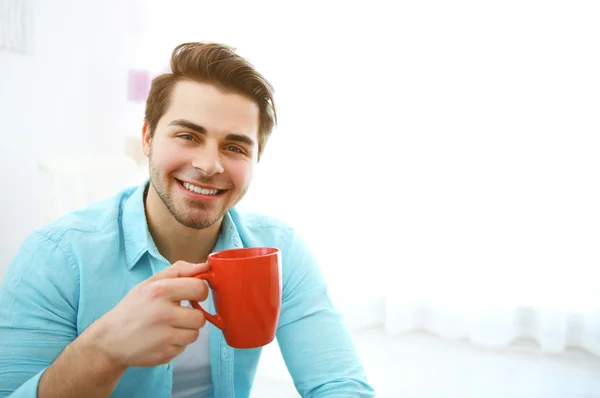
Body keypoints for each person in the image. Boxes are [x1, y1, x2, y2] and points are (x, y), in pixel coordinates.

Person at [0, 42, 375, 397]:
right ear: (147, 137)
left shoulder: (280, 251)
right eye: (187, 135)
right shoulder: (54, 257)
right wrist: (104, 349)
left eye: (234, 147)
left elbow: (341, 384)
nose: (209, 165)